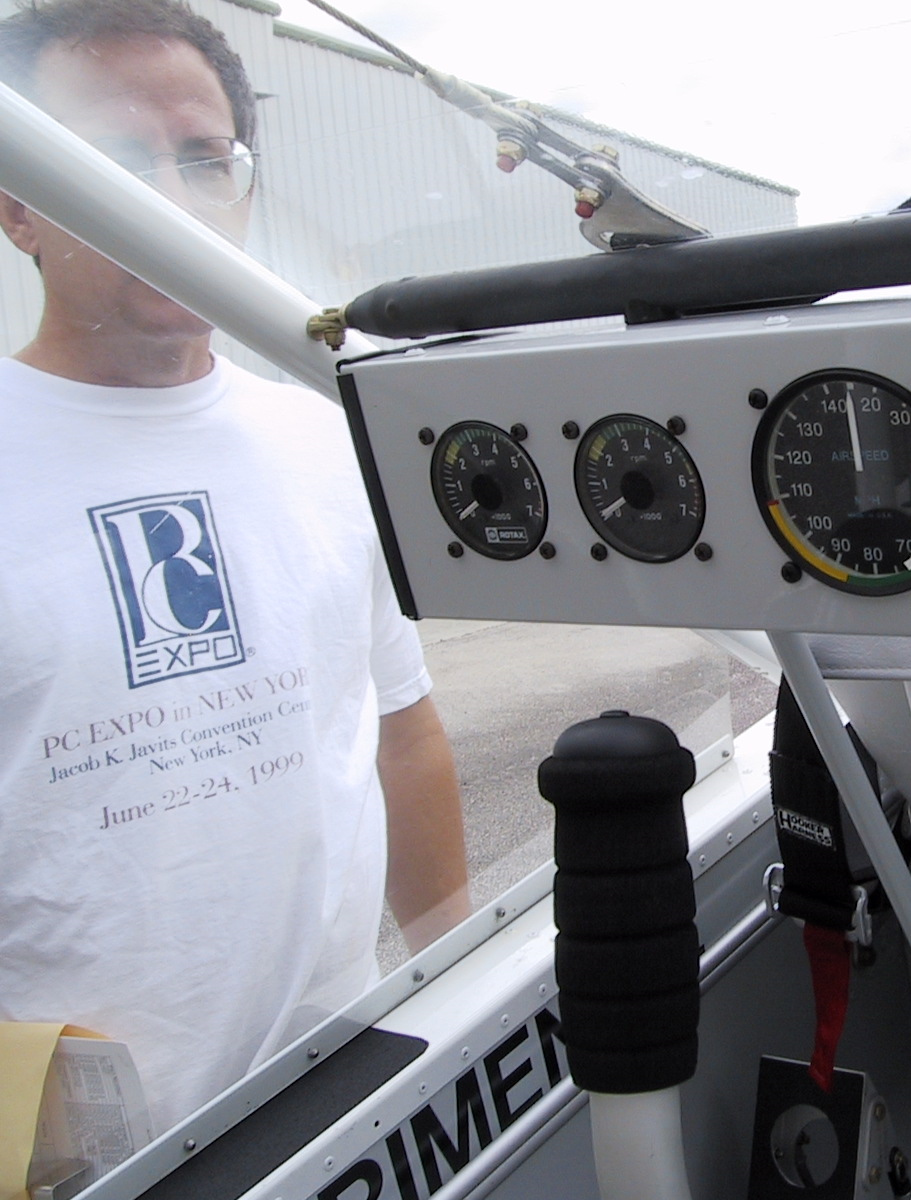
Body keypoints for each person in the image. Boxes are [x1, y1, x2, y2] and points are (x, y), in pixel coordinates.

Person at [0, 0, 472, 1134]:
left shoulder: (325, 431)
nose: (173, 197)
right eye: (115, 161)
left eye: (206, 158)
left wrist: (459, 989)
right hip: (83, 1159)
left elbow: (399, 730)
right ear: (19, 204)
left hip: (352, 1094)